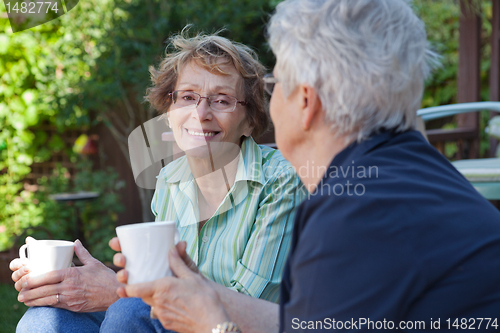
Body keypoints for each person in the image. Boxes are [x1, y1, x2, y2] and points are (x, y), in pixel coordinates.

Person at [113, 0, 500, 332]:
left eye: (276, 82)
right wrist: (202, 289)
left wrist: (212, 323)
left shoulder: (350, 213)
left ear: (306, 103)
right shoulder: (410, 174)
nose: (269, 98)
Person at [10, 32, 306, 332]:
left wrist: (118, 290)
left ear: (250, 120)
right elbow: (159, 281)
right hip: (173, 320)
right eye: (188, 97)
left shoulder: (280, 182)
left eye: (221, 100)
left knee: (129, 310)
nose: (200, 114)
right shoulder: (170, 181)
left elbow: (246, 306)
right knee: (44, 319)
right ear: (168, 112)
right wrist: (79, 284)